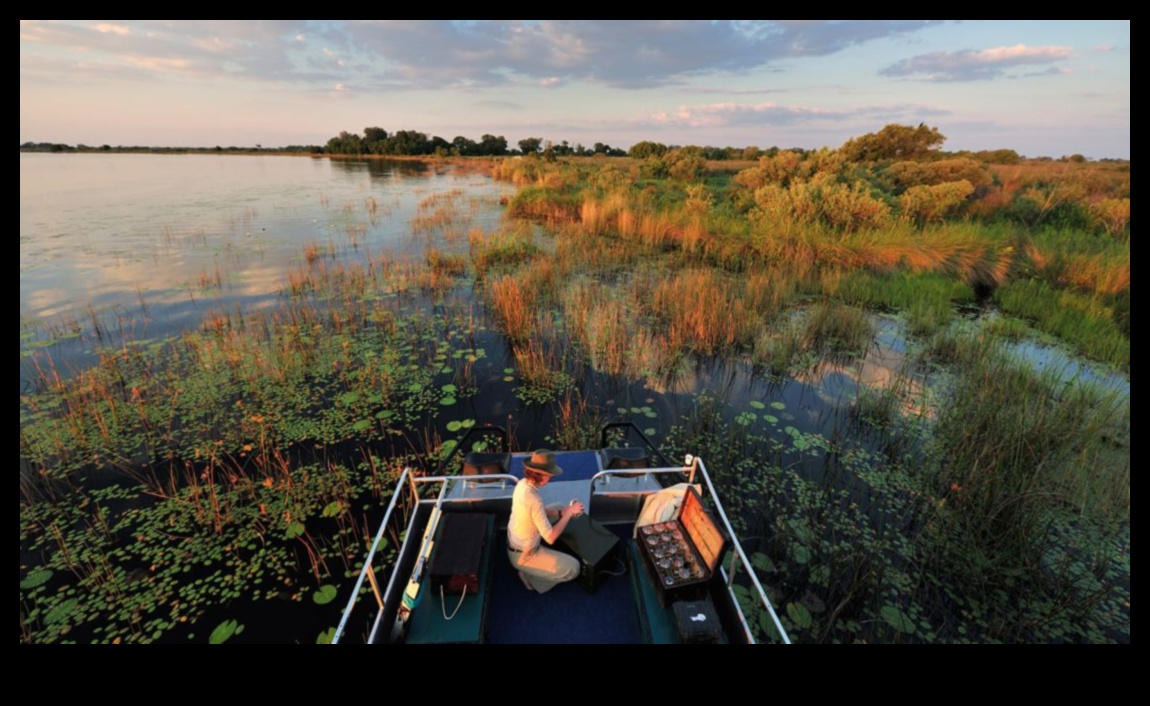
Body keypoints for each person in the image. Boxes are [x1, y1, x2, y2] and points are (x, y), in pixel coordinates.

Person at [507, 449, 584, 593]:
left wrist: (562, 512)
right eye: (550, 475)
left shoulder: (523, 483)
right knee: (574, 568)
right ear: (540, 475)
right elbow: (550, 538)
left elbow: (538, 511)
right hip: (525, 555)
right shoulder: (533, 499)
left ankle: (535, 567)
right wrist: (569, 514)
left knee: (560, 507)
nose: (551, 478)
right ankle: (529, 576)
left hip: (516, 543)